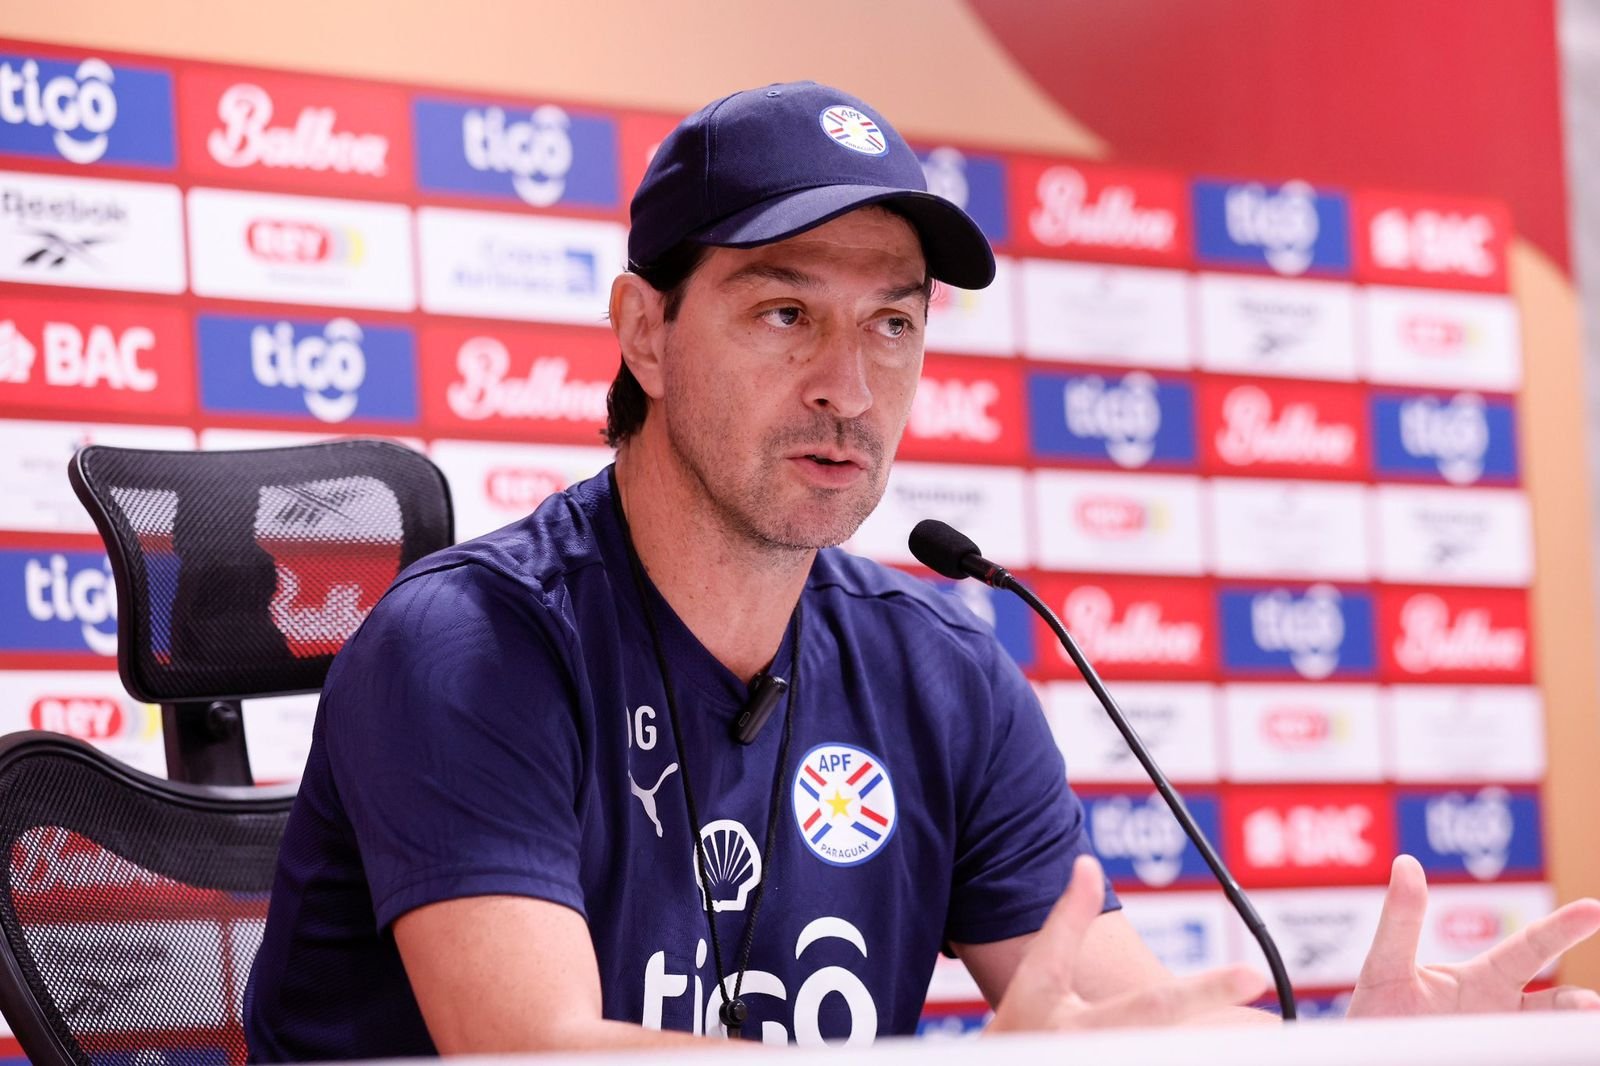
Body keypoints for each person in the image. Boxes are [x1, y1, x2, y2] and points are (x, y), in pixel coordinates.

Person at [242, 81, 1600, 1060]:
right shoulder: (469, 644)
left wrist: (1341, 1060)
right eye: (787, 311)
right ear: (644, 332)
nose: (850, 385)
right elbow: (536, 1053)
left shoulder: (939, 664)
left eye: (894, 325)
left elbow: (1111, 1017)